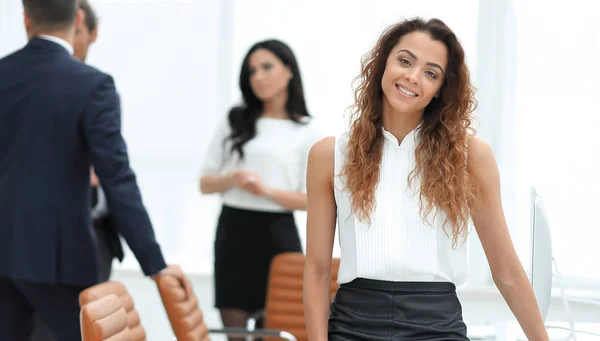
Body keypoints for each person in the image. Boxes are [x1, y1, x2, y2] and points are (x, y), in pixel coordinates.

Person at [303, 17, 550, 341]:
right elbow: (318, 271)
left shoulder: (470, 157)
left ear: (440, 89)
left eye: (430, 73)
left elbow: (506, 272)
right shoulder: (329, 155)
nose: (412, 77)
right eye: (405, 61)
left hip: (437, 327)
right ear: (382, 64)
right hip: (353, 326)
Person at [0, 1, 188, 340]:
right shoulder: (92, 84)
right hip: (59, 257)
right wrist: (155, 264)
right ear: (78, 19)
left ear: (26, 19)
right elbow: (117, 178)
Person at [199, 39, 322, 340]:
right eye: (252, 71)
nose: (258, 77)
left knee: (277, 329)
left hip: (277, 234)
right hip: (234, 231)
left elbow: (312, 201)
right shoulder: (236, 120)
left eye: (267, 67)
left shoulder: (307, 131)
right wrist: (232, 180)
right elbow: (205, 182)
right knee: (235, 333)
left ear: (289, 70)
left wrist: (266, 191)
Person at [73, 0, 124, 283]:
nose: (69, 40)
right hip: (49, 233)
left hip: (100, 230)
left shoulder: (102, 90)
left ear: (93, 33)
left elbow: (114, 167)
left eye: (77, 31)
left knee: (94, 321)